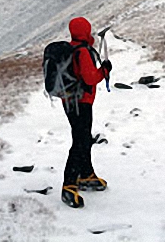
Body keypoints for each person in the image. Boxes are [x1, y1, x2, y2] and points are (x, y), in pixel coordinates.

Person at [61, 16, 112, 208]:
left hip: (69, 101)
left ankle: (86, 174)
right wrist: (104, 71)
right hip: (81, 102)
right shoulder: (82, 51)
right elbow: (90, 78)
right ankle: (69, 185)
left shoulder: (71, 48)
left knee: (82, 137)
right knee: (80, 140)